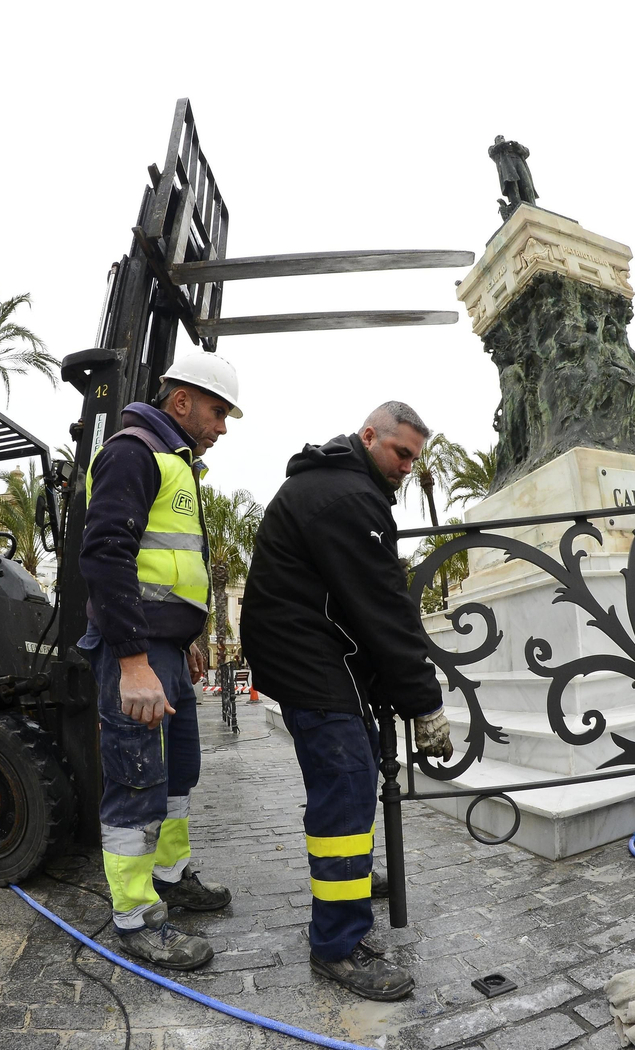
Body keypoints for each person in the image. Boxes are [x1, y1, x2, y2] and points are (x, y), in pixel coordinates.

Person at [241, 401, 455, 1001]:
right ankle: (336, 944)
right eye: (401, 453)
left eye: (415, 458)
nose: (408, 468)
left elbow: (363, 606)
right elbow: (382, 607)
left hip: (313, 652)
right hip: (306, 656)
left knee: (353, 775)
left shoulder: (340, 485)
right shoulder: (346, 498)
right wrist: (422, 701)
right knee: (347, 788)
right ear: (369, 437)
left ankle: (350, 878)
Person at [77, 349, 242, 970]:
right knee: (136, 781)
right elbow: (106, 556)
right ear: (182, 402)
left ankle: (172, 878)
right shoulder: (132, 452)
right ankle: (137, 918)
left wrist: (189, 638)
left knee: (176, 777)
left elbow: (169, 568)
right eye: (218, 411)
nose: (222, 426)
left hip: (166, 650)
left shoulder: (173, 463)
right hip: (137, 654)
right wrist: (134, 662)